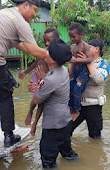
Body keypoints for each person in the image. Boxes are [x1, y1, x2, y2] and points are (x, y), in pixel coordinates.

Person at [0, 0, 49, 147]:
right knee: (5, 97)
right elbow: (34, 50)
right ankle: (9, 135)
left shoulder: (5, 13)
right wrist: (55, 56)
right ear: (25, 5)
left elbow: (20, 44)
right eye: (34, 10)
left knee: (6, 81)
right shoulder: (20, 22)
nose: (35, 14)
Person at [32, 38, 79, 168]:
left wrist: (40, 81)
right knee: (68, 154)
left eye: (47, 51)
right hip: (65, 122)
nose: (45, 51)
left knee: (48, 161)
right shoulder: (63, 70)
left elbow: (37, 99)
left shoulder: (50, 79)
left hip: (54, 126)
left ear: (52, 60)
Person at [18, 28, 59, 136]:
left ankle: (34, 124)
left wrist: (45, 79)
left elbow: (55, 72)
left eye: (49, 41)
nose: (46, 43)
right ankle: (30, 112)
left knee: (41, 102)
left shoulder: (57, 56)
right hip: (37, 76)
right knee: (35, 98)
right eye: (45, 41)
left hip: (46, 78)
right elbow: (35, 63)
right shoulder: (42, 52)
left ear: (56, 40)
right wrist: (25, 72)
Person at [70, 39, 110, 139]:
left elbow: (99, 79)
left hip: (93, 106)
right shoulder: (80, 62)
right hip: (77, 104)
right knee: (67, 129)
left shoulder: (103, 64)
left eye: (89, 47)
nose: (86, 49)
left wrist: (88, 62)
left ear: (96, 49)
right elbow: (69, 76)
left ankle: (95, 153)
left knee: (95, 136)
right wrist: (73, 61)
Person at [68, 22, 93, 121]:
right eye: (70, 37)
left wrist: (77, 60)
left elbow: (90, 59)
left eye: (74, 37)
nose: (72, 39)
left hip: (83, 70)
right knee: (70, 87)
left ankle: (76, 110)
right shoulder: (72, 47)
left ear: (81, 35)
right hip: (75, 69)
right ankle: (70, 108)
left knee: (77, 89)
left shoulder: (85, 46)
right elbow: (69, 58)